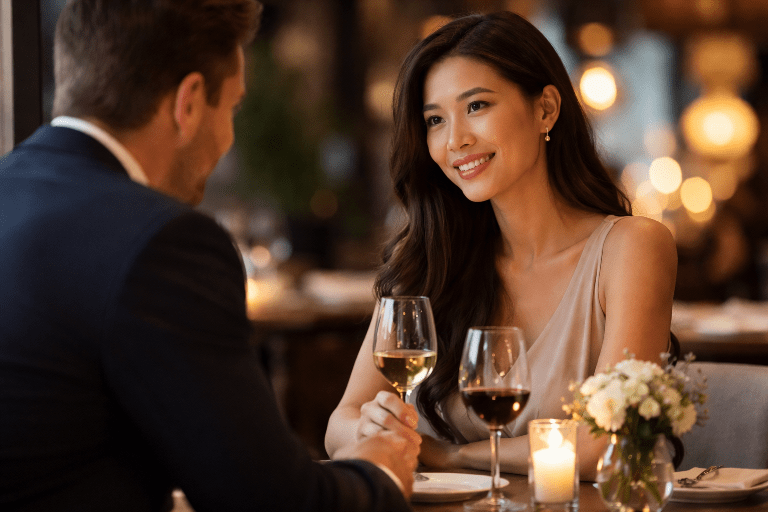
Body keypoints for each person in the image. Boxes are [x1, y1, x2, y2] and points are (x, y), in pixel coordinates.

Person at [0, 1, 420, 511]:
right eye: (233, 108)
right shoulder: (162, 241)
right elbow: (270, 501)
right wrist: (380, 470)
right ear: (190, 102)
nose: (229, 136)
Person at [325, 11, 677, 480]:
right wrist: (369, 427)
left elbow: (605, 444)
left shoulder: (631, 249)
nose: (456, 140)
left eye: (476, 106)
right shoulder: (429, 260)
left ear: (545, 109)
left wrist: (452, 455)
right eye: (435, 120)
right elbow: (339, 427)